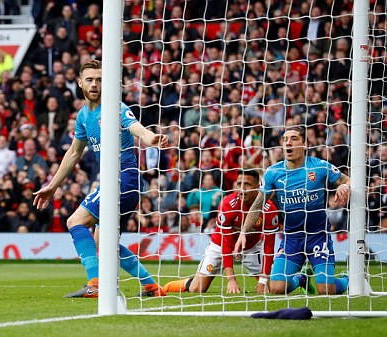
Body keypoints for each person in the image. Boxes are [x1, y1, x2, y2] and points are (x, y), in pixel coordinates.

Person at [33, 60, 169, 298]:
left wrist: (149, 137)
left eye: (100, 79)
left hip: (123, 179)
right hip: (118, 183)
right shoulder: (84, 115)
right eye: (90, 79)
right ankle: (151, 286)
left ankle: (95, 284)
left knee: (75, 222)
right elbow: (74, 152)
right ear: (80, 83)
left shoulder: (115, 107)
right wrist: (52, 186)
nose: (95, 84)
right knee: (104, 244)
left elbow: (135, 126)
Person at [234, 126, 351, 295]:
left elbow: (348, 179)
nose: (288, 143)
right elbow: (258, 205)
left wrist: (343, 186)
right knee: (275, 288)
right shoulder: (273, 172)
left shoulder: (319, 167)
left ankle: (348, 279)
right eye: (285, 139)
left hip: (318, 237)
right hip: (291, 238)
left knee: (326, 290)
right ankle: (301, 279)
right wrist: (243, 232)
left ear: (305, 144)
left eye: (294, 138)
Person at [163, 170, 279, 294]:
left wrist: (263, 280)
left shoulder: (269, 209)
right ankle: (170, 286)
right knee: (196, 289)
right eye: (239, 184)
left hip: (251, 247)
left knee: (274, 288)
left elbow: (268, 245)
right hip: (220, 245)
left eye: (247, 184)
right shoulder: (228, 204)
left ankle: (299, 279)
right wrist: (231, 279)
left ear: (257, 187)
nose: (242, 189)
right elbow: (226, 243)